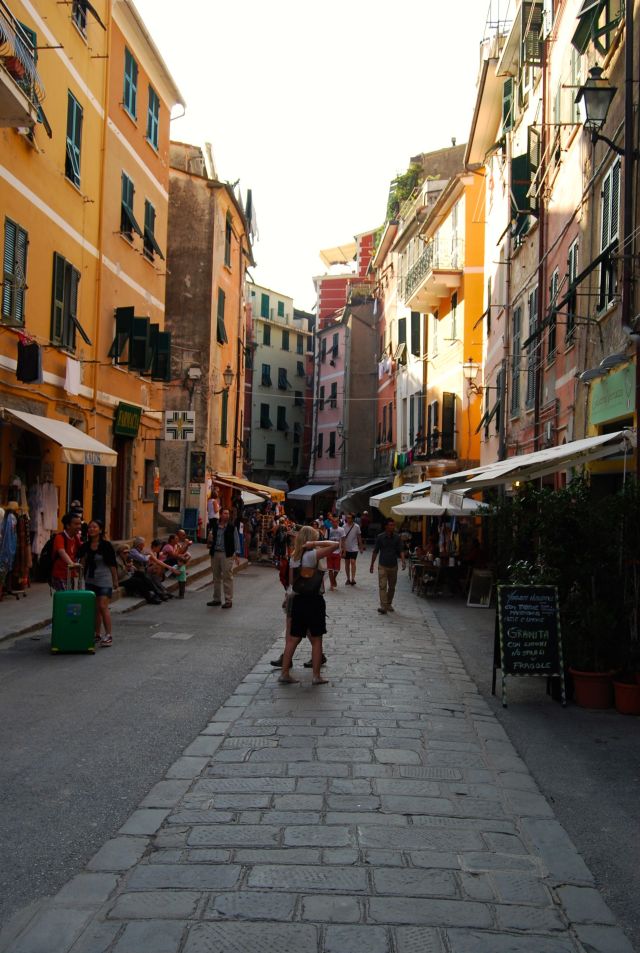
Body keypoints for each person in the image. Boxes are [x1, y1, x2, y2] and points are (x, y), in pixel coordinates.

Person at [278, 526, 338, 685]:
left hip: (298, 600)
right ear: (310, 539)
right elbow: (335, 545)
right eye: (315, 538)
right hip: (313, 600)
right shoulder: (311, 555)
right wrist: (315, 544)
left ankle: (284, 673)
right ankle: (316, 676)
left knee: (293, 639)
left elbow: (292, 583)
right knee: (317, 639)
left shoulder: (294, 557)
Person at [78, 520, 118, 646]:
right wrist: (80, 578)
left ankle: (109, 635)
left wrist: (115, 580)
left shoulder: (106, 545)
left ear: (100, 530)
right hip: (90, 580)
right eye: (90, 527)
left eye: (94, 527)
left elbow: (112, 564)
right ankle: (97, 633)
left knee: (102, 606)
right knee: (95, 608)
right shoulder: (85, 546)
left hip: (104, 579)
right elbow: (82, 563)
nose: (91, 529)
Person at [369, 517, 406, 614]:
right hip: (383, 565)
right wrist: (372, 564)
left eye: (393, 525)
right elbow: (375, 551)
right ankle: (384, 606)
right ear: (386, 526)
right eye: (391, 525)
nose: (393, 527)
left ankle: (389, 603)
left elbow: (401, 550)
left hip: (393, 565)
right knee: (382, 586)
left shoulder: (397, 538)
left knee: (392, 587)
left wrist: (403, 561)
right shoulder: (380, 537)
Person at [207, 507, 241, 608]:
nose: (227, 515)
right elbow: (211, 538)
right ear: (221, 515)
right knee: (216, 577)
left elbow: (236, 540)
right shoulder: (215, 526)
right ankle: (216, 599)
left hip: (227, 554)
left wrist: (237, 554)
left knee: (227, 577)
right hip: (215, 553)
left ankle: (228, 600)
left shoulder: (232, 527)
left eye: (228, 514)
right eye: (225, 513)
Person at [51, 511, 83, 591]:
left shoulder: (76, 537)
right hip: (59, 575)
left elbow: (83, 549)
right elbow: (62, 552)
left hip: (70, 575)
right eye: (76, 524)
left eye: (80, 524)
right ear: (68, 525)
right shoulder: (60, 537)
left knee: (70, 597)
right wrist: (72, 564)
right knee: (65, 596)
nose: (79, 526)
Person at [341, 512, 365, 585]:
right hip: (346, 547)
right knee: (347, 563)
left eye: (349, 518)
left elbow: (359, 537)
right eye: (347, 517)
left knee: (353, 562)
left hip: (354, 547)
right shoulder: (343, 526)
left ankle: (353, 578)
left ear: (353, 519)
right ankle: (348, 579)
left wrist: (361, 547)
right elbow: (342, 539)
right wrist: (342, 548)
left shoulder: (357, 526)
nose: (347, 519)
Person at [326, 513, 344, 590]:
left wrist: (344, 550)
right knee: (330, 569)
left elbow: (343, 540)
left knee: (337, 569)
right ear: (331, 522)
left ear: (338, 522)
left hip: (338, 551)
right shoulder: (328, 530)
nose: (334, 523)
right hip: (330, 551)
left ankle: (333, 579)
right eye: (333, 522)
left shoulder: (341, 530)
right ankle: (331, 584)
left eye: (336, 521)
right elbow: (326, 541)